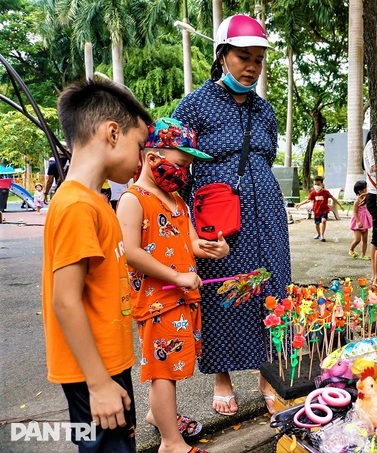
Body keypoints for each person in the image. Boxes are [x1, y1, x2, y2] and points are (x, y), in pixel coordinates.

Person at [172, 14, 291, 416]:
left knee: (272, 289)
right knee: (223, 291)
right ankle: (222, 377)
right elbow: (172, 169)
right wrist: (188, 229)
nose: (252, 67)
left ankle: (267, 374)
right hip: (218, 218)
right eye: (244, 57)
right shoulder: (193, 107)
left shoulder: (265, 111)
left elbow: (267, 156)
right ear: (222, 56)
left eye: (258, 59)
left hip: (268, 218)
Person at [41, 78, 152, 452]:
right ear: (112, 132)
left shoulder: (94, 202)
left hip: (106, 365)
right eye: (140, 146)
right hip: (94, 374)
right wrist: (99, 383)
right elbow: (65, 301)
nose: (141, 161)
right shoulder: (76, 206)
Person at [117, 118, 228, 453]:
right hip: (157, 301)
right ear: (153, 159)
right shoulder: (133, 199)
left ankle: (158, 414)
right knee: (162, 373)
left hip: (184, 299)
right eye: (181, 165)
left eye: (188, 167)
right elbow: (132, 254)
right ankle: (171, 442)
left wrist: (212, 247)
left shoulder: (177, 202)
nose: (184, 174)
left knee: (176, 368)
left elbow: (189, 242)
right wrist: (177, 276)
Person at [295, 175, 342, 242]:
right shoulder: (313, 193)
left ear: (322, 184)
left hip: (324, 210)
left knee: (324, 221)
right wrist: (300, 204)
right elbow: (308, 200)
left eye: (318, 184)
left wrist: (340, 205)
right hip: (316, 210)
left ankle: (322, 235)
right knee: (317, 224)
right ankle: (318, 234)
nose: (316, 186)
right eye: (315, 184)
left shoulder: (325, 192)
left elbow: (333, 198)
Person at [363, 132, 377, 285]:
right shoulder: (371, 146)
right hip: (375, 195)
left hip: (373, 195)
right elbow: (374, 167)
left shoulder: (369, 146)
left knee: (376, 237)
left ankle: (375, 275)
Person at [349, 180, 372, 259]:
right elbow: (354, 212)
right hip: (357, 222)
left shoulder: (367, 198)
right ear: (360, 191)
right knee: (358, 239)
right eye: (366, 188)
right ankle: (351, 249)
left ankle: (363, 254)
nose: (367, 190)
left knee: (365, 240)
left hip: (365, 221)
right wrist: (358, 222)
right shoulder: (357, 201)